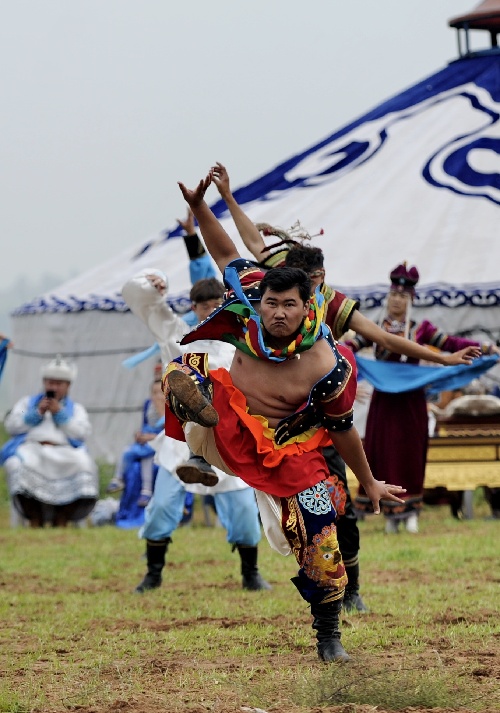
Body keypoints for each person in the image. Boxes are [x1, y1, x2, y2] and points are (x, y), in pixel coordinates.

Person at [162, 170, 412, 663]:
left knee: (321, 535)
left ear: (306, 307)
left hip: (287, 448)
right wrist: (199, 208)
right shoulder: (252, 298)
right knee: (183, 368)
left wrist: (371, 481)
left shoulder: (328, 364)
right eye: (272, 303)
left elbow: (343, 430)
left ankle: (328, 635)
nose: (277, 313)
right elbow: (225, 250)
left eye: (288, 305)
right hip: (227, 426)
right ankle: (199, 452)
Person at [208, 161, 480, 612]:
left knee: (337, 508)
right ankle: (210, 458)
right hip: (268, 413)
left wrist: (445, 357)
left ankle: (348, 590)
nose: (308, 294)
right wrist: (223, 199)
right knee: (201, 381)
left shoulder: (331, 306)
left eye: (315, 285)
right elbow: (243, 247)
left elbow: (386, 339)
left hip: (318, 414)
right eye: (302, 287)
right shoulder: (272, 291)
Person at [121, 252, 271, 594]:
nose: (208, 310)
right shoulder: (177, 335)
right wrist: (154, 278)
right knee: (161, 508)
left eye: (215, 303)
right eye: (202, 305)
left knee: (245, 513)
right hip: (181, 438)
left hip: (226, 438)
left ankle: (251, 573)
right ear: (194, 307)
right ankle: (153, 574)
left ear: (225, 303)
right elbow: (142, 300)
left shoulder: (240, 341)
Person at [343, 263, 494, 533]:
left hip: (412, 402)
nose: (397, 300)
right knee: (384, 453)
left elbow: (450, 344)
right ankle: (390, 514)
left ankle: (411, 511)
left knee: (410, 453)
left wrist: (483, 348)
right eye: (393, 295)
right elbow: (351, 348)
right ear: (388, 297)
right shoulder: (375, 328)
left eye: (403, 296)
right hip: (384, 403)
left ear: (411, 299)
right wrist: (338, 352)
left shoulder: (421, 329)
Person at [1, 355, 98, 527]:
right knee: (16, 464)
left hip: (65, 451)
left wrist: (60, 414)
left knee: (84, 465)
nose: (53, 387)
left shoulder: (75, 409)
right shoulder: (27, 403)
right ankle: (34, 517)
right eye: (50, 383)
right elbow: (12, 427)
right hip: (33, 449)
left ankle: (62, 517)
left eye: (58, 384)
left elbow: (81, 433)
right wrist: (37, 413)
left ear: (68, 386)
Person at [107, 372, 165, 528]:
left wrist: (151, 436)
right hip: (146, 441)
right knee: (128, 454)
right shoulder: (148, 405)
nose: (156, 396)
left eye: (160, 392)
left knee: (147, 460)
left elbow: (170, 433)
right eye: (154, 392)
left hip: (161, 445)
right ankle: (118, 478)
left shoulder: (170, 408)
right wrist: (140, 435)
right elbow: (144, 425)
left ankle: (147, 491)